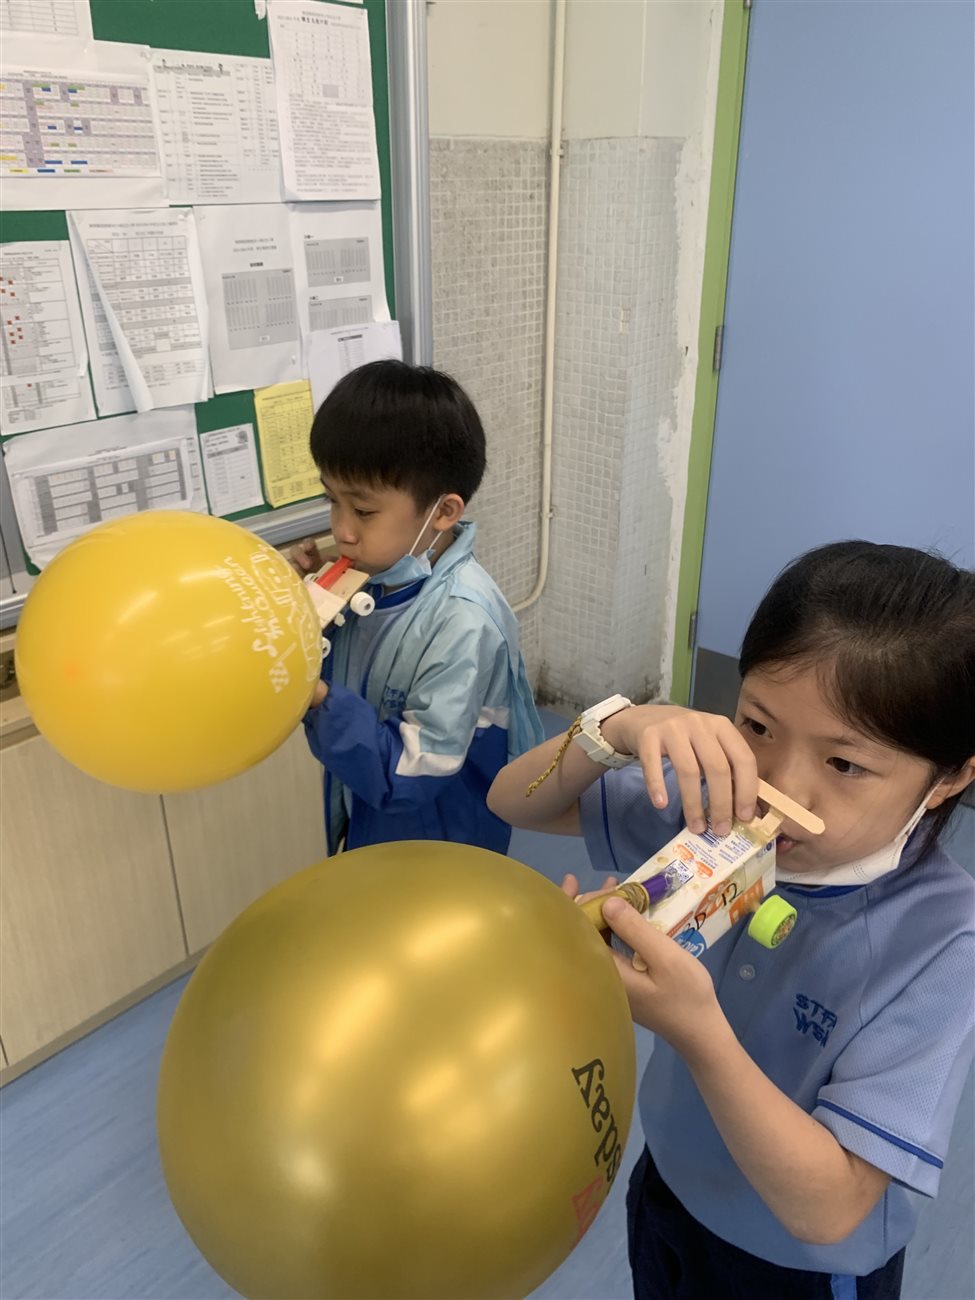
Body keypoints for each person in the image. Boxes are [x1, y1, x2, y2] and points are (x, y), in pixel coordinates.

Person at [488, 541, 975, 1299]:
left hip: (799, 1269)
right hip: (669, 1187)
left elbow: (832, 1208)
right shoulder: (710, 813)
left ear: (948, 778)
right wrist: (618, 728)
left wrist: (695, 1030)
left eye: (844, 764)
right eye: (757, 725)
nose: (779, 786)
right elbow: (514, 801)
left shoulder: (943, 939)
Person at [293, 359, 542, 855]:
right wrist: (313, 610)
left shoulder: (464, 622)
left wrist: (318, 699)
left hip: (442, 843)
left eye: (363, 510)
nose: (342, 530)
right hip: (371, 814)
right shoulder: (381, 573)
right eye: (332, 501)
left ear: (443, 511)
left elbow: (411, 771)